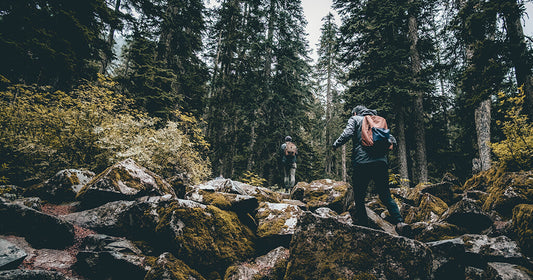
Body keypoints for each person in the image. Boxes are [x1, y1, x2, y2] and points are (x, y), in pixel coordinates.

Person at [332, 105, 410, 235]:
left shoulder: (355, 119)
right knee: (385, 195)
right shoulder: (378, 120)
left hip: (362, 163)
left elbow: (348, 133)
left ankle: (364, 228)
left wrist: (336, 144)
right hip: (381, 163)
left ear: (355, 112)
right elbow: (392, 141)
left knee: (359, 196)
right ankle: (400, 222)